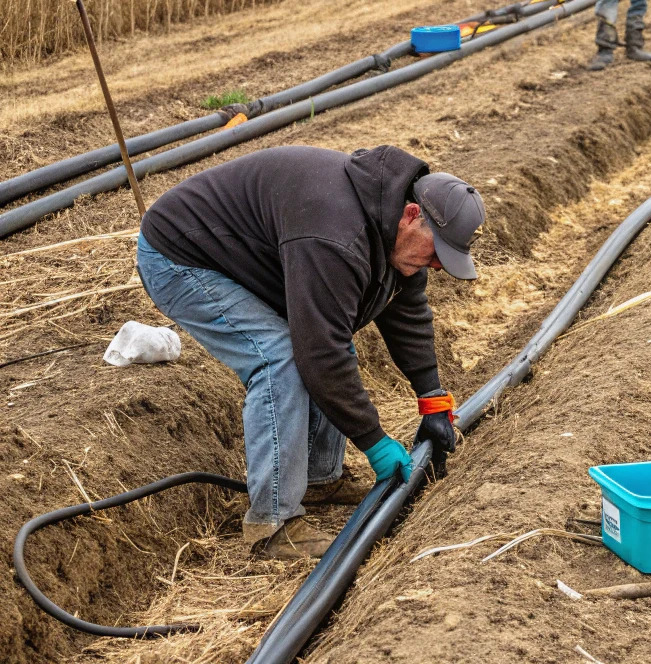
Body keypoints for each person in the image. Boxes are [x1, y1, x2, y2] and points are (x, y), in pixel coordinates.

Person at [135, 144, 485, 560]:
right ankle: (272, 524)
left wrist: (432, 399)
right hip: (183, 256)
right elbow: (321, 353)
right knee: (279, 358)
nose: (436, 267)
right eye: (436, 254)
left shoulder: (393, 225)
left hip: (249, 255)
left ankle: (319, 478)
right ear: (413, 216)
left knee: (326, 338)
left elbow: (406, 312)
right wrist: (374, 442)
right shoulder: (335, 234)